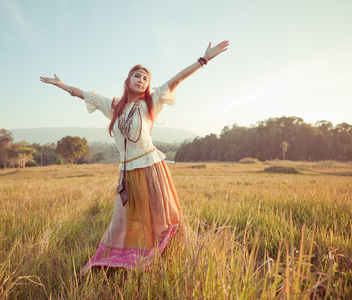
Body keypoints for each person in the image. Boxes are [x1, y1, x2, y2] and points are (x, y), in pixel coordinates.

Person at [40, 40, 229, 275]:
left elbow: (178, 78)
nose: (141, 81)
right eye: (137, 76)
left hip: (150, 166)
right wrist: (61, 85)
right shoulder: (114, 106)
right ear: (128, 79)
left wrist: (204, 59)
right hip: (127, 170)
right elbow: (83, 94)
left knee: (158, 213)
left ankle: (164, 254)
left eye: (145, 79)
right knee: (124, 217)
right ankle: (123, 256)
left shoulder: (152, 101)